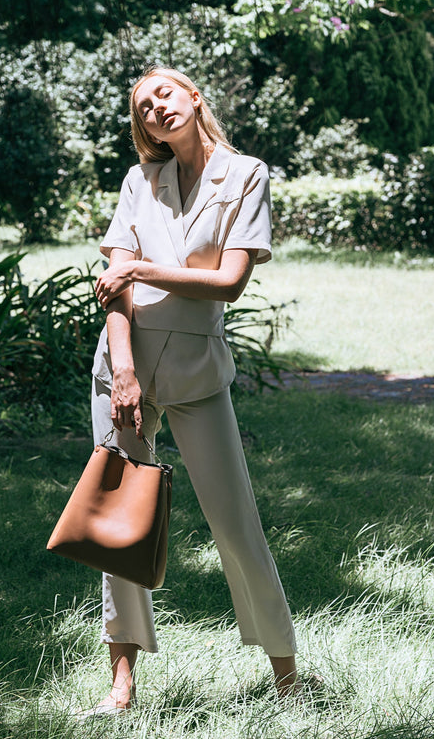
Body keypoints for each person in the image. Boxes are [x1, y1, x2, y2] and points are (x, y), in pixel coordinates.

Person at [85, 66, 298, 717]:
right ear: (143, 127)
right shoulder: (139, 181)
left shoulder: (247, 174)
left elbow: (230, 282)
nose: (156, 108)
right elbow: (113, 288)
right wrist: (123, 372)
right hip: (122, 369)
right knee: (118, 526)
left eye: (164, 95)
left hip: (197, 369)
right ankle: (121, 687)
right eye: (143, 107)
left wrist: (142, 269)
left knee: (235, 523)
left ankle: (288, 678)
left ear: (193, 96)